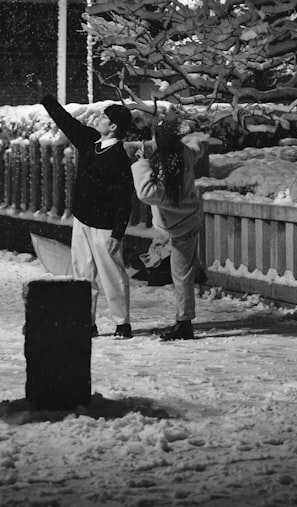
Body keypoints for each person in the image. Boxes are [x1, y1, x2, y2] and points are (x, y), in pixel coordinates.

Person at [30, 77, 135, 338]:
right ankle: (86, 322)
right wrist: (46, 98)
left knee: (112, 275)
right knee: (82, 274)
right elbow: (66, 122)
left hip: (105, 227)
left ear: (112, 127)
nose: (97, 118)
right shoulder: (90, 142)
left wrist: (118, 233)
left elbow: (124, 198)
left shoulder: (119, 159)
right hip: (83, 220)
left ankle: (122, 323)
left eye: (103, 117)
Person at [131, 116, 203, 341]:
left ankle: (184, 323)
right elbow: (197, 146)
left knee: (181, 275)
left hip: (178, 226)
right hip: (183, 221)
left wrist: (142, 163)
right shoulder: (184, 153)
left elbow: (149, 193)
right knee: (181, 268)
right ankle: (159, 257)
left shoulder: (166, 165)